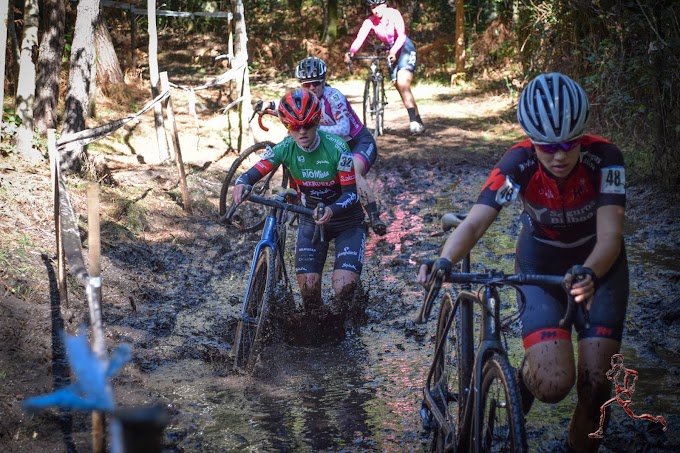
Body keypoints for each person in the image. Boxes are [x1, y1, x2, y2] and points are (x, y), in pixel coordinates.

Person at [417, 73, 628, 452]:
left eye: (569, 144)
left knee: (596, 386)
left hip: (601, 265)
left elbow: (611, 235)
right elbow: (477, 220)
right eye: (547, 146)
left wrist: (590, 272)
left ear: (583, 136)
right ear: (532, 141)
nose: (559, 155)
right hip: (540, 260)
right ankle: (522, 380)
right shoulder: (519, 162)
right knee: (552, 385)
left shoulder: (605, 159)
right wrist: (445, 259)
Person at [233, 88, 366, 312]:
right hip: (310, 218)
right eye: (295, 126)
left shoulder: (337, 147)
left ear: (317, 122)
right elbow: (257, 169)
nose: (302, 132)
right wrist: (242, 181)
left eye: (308, 125)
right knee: (309, 293)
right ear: (287, 125)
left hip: (346, 221)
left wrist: (332, 210)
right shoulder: (285, 147)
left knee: (343, 289)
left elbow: (351, 194)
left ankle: (349, 319)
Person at [295, 56, 387, 236]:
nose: (312, 88)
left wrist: (316, 130)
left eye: (316, 83)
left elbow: (344, 128)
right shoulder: (305, 98)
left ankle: (374, 216)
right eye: (307, 84)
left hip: (358, 142)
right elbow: (287, 105)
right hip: (336, 147)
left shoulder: (333, 96)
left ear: (323, 81)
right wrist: (269, 106)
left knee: (352, 171)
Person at [344, 0, 425, 135]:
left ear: (384, 5)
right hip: (390, 51)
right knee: (399, 87)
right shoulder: (370, 21)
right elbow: (360, 38)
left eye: (378, 6)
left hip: (404, 48)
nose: (375, 10)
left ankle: (413, 121)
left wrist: (393, 51)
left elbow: (401, 36)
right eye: (372, 7)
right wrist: (351, 52)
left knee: (403, 83)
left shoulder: (394, 14)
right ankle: (417, 116)